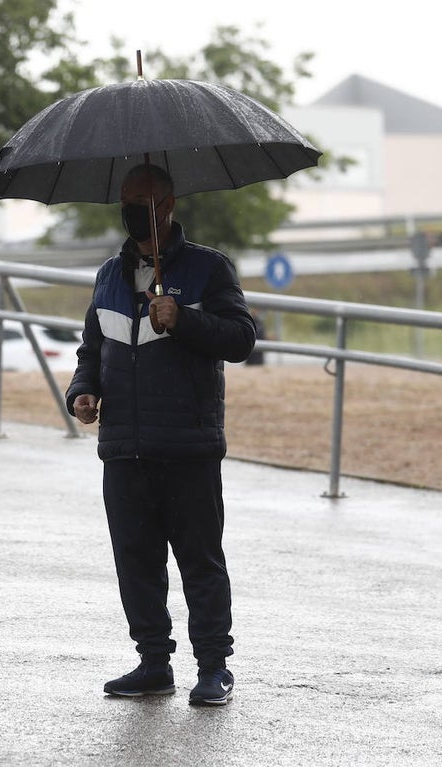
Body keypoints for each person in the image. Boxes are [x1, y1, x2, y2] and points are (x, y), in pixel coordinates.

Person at [66, 164, 256, 707]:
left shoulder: (207, 269)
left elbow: (242, 339)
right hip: (124, 448)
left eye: (145, 199)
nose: (135, 208)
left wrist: (184, 320)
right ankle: (153, 662)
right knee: (135, 559)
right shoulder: (108, 275)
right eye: (127, 199)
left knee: (200, 559)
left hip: (188, 446)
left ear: (170, 203)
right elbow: (91, 351)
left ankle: (214, 666)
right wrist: (83, 391)